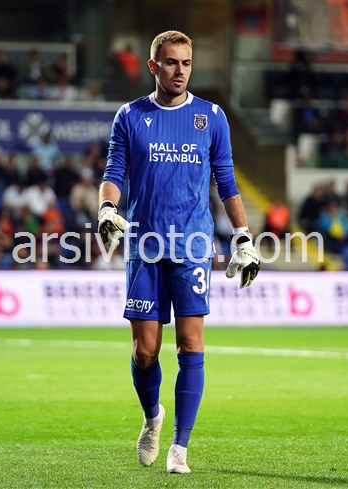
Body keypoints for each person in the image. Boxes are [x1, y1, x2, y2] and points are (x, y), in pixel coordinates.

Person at [98, 30, 260, 474]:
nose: (180, 71)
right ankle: (152, 417)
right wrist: (107, 208)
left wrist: (243, 236)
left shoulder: (212, 117)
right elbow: (114, 171)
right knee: (144, 351)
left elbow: (226, 180)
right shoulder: (131, 116)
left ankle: (180, 447)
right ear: (154, 67)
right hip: (145, 246)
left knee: (190, 342)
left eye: (186, 63)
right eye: (171, 63)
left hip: (192, 246)